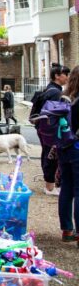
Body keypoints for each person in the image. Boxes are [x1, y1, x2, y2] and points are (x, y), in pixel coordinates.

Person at [36, 63, 70, 196]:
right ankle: (50, 187)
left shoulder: (48, 89)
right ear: (57, 76)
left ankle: (49, 184)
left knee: (46, 154)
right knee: (52, 155)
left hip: (43, 129)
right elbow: (57, 113)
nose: (67, 77)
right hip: (52, 130)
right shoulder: (56, 92)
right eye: (65, 74)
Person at [60, 65, 79, 245]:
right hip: (77, 147)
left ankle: (67, 230)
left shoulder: (64, 98)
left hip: (64, 148)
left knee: (66, 189)